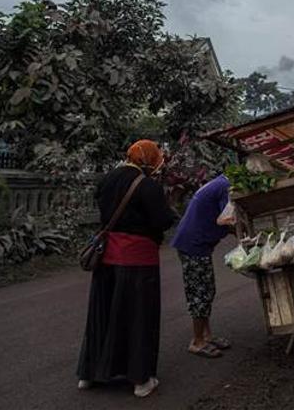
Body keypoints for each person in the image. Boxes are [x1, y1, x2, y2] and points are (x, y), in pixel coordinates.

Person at [77, 139, 178, 398]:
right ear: (150, 160)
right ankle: (140, 380)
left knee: (103, 313)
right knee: (138, 317)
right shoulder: (147, 186)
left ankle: (89, 374)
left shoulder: (108, 179)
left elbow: (102, 205)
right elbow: (163, 220)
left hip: (107, 258)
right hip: (138, 261)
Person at [170, 173, 235, 359]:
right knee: (200, 293)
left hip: (194, 243)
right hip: (193, 245)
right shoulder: (225, 188)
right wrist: (241, 230)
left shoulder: (220, 183)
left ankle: (207, 336)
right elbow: (226, 219)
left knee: (206, 290)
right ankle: (197, 341)